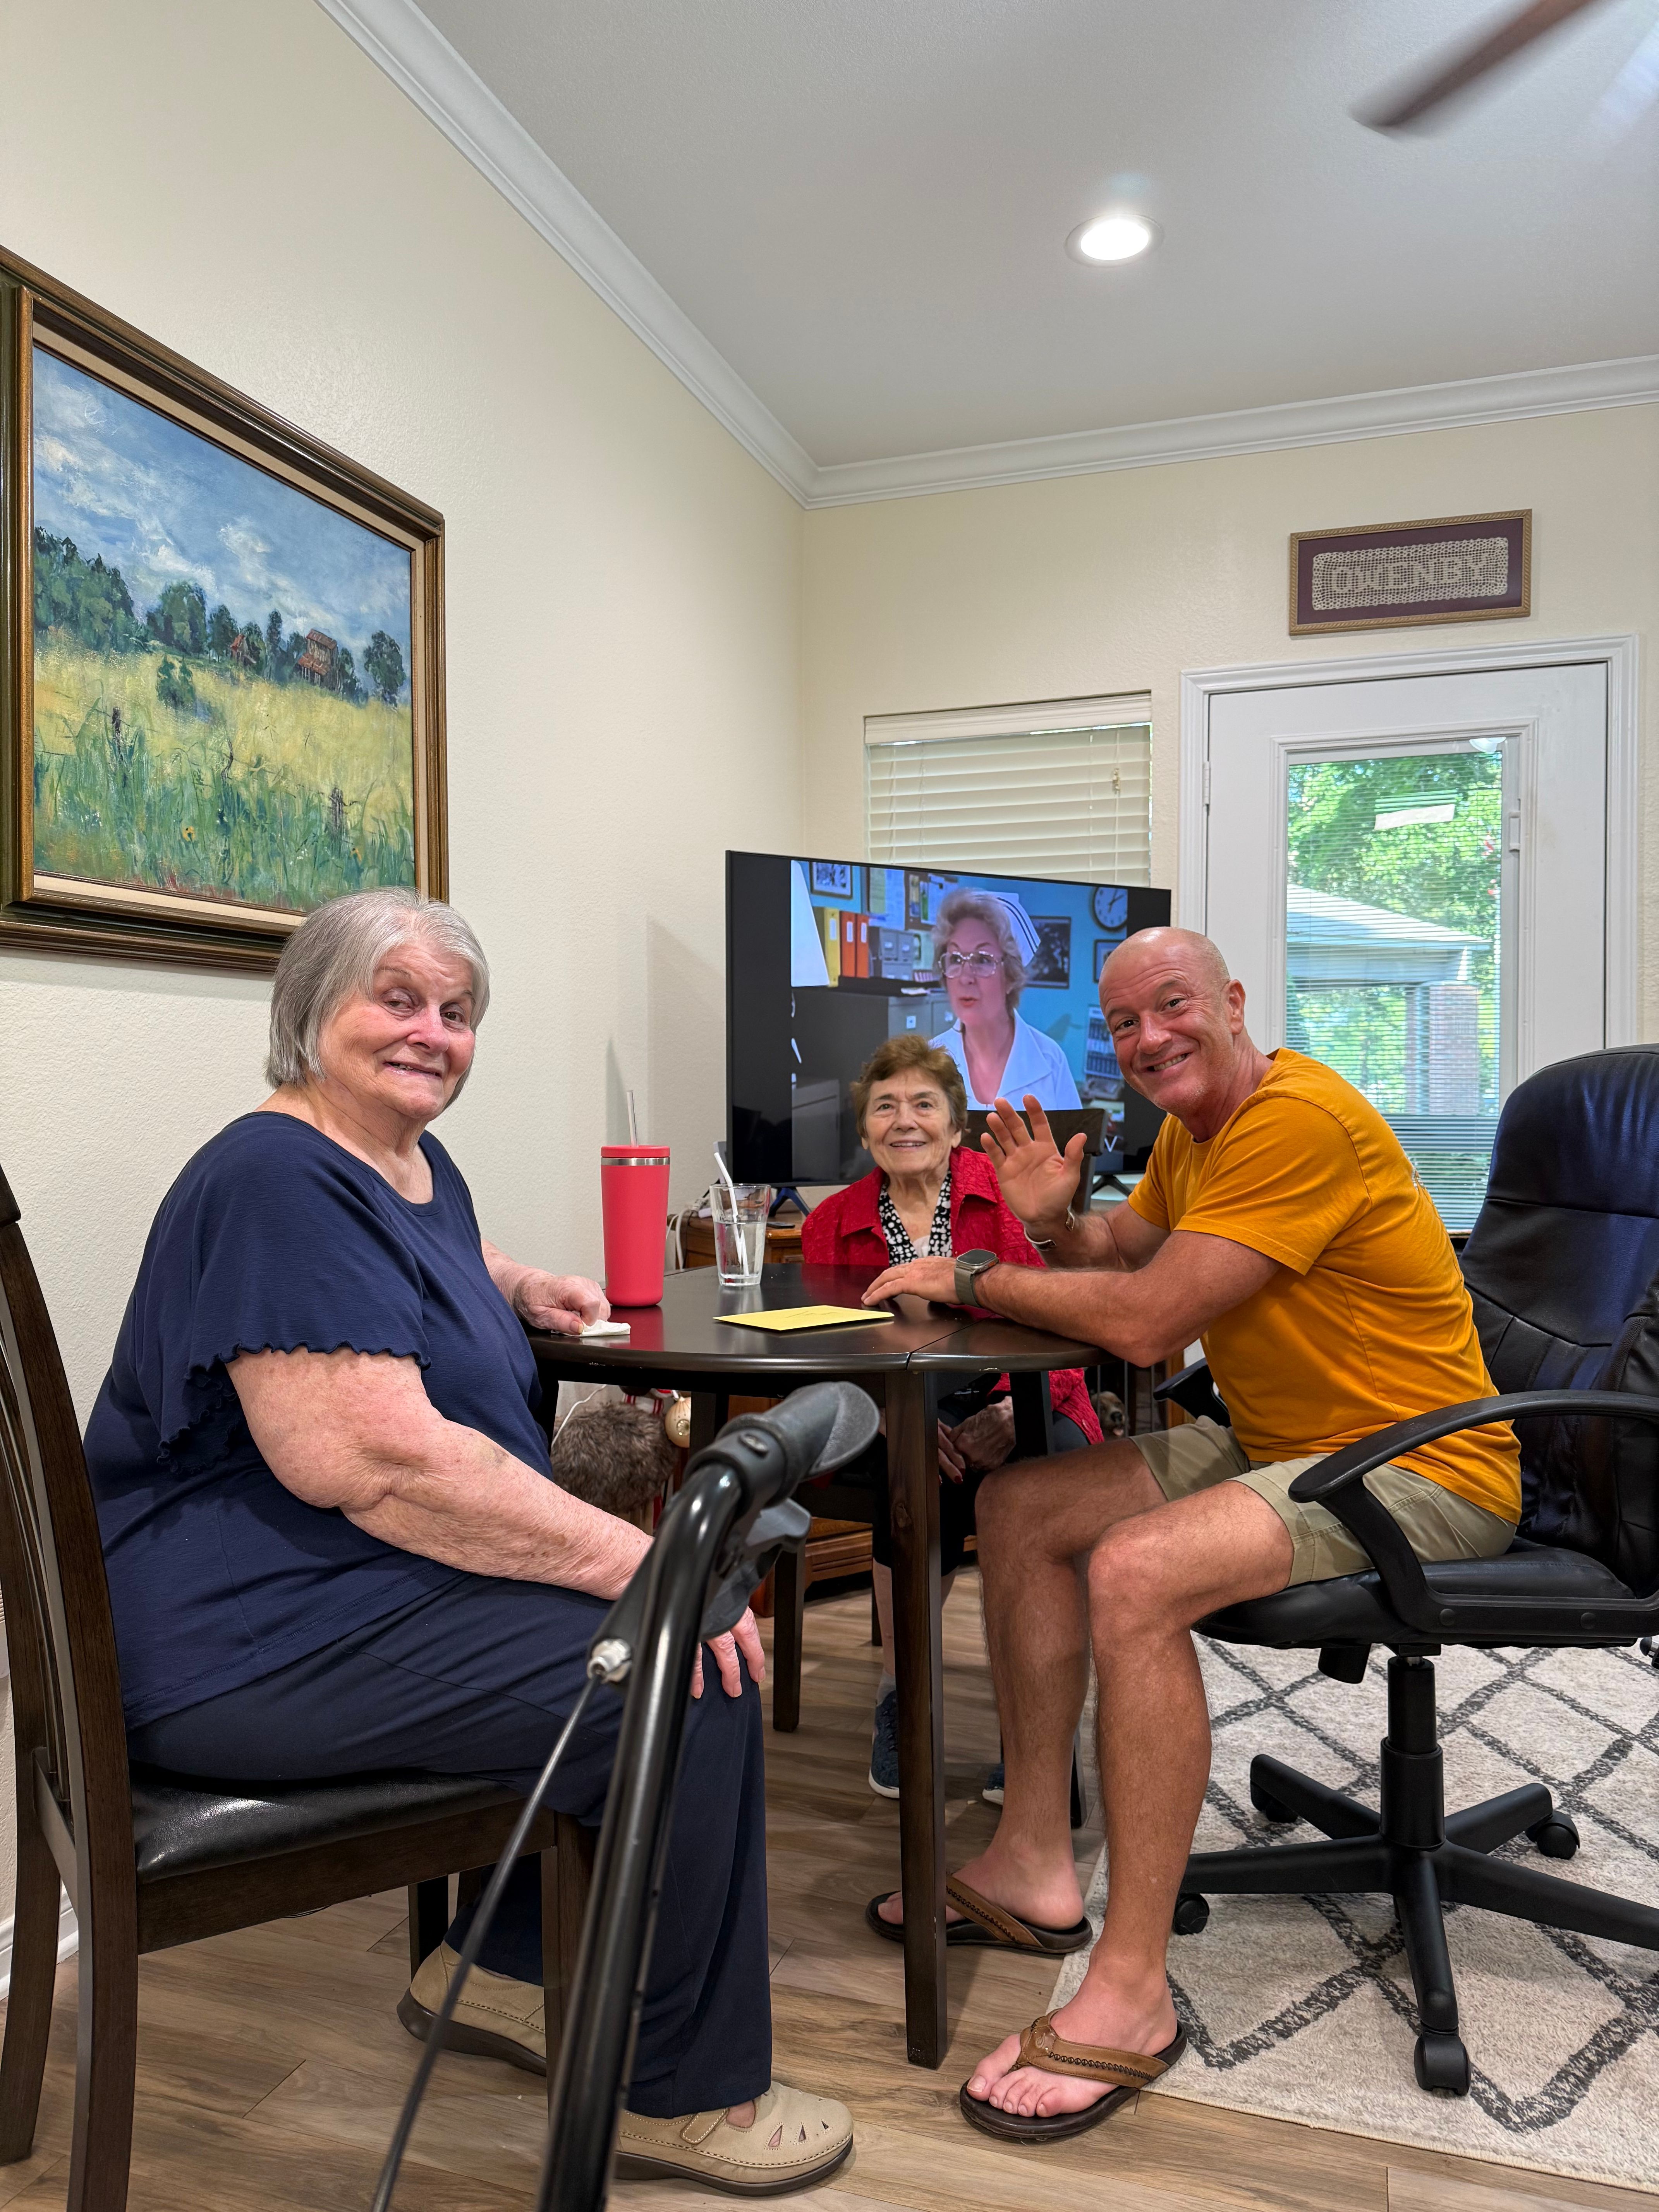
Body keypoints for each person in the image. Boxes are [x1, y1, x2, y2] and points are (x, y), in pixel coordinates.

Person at [84, 886, 852, 2196]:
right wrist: (652, 1572)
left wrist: (519, 1284)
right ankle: (682, 2090)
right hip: (239, 1638)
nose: (431, 1031)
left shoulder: (397, 1159)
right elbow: (376, 1461)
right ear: (308, 1007)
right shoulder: (271, 1173)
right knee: (681, 1665)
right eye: (398, 999)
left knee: (636, 1637)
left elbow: (426, 1246)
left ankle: (497, 1971)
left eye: (458, 1010)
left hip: (325, 1592)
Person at [859, 927, 1519, 2145]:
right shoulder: (1200, 1134)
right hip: (1289, 1439)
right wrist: (1058, 1222)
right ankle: (1032, 1857)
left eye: (1172, 1006)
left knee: (1137, 1568)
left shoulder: (1295, 1117)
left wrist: (980, 1274)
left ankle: (1132, 1989)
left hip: (1425, 1465)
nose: (1149, 1036)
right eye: (1123, 1022)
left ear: (1232, 1000)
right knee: (1022, 1504)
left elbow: (1152, 1321)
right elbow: (1130, 1252)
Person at [800, 1033, 1100, 1803]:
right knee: (911, 1486)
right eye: (885, 1106)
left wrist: (1012, 1404)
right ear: (865, 1129)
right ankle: (904, 1699)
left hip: (1027, 1394)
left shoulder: (1010, 1199)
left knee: (1046, 1481)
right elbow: (828, 1350)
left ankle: (1033, 1722)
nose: (904, 1120)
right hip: (898, 1412)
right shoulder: (830, 1222)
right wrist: (890, 1419)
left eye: (923, 1104)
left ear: (957, 1125)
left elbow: (1075, 1321)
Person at [931, 888, 1080, 1111]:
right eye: (955, 959)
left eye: (982, 959)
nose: (966, 977)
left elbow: (1077, 1144)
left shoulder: (1050, 1061)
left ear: (1010, 977)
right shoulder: (930, 1058)